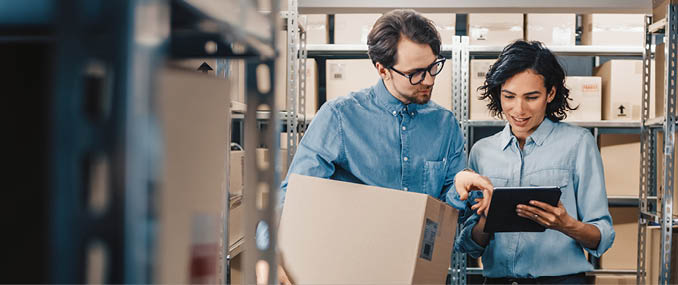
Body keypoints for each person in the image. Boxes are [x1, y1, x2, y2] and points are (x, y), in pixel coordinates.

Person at [280, 9, 491, 213]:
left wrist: (459, 188)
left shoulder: (445, 124)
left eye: (433, 66)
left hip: (422, 249)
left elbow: (447, 210)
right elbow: (293, 198)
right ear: (382, 70)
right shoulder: (339, 118)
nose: (430, 80)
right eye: (416, 73)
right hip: (358, 247)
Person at [453, 40, 615, 284]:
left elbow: (601, 237)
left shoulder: (579, 144)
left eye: (531, 97)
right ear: (499, 93)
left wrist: (566, 224)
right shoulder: (482, 151)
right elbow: (470, 247)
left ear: (550, 93)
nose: (519, 109)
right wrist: (487, 218)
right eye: (509, 96)